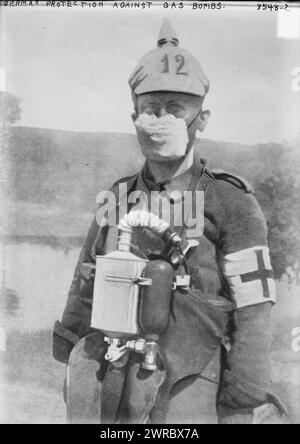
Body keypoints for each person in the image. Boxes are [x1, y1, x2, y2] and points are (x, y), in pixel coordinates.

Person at [52, 19, 286, 424]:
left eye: (175, 109)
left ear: (202, 119)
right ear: (133, 117)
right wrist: (71, 348)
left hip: (193, 380)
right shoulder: (118, 195)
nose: (159, 120)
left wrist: (242, 396)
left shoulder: (231, 201)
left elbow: (254, 310)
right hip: (113, 376)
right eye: (149, 109)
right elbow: (87, 280)